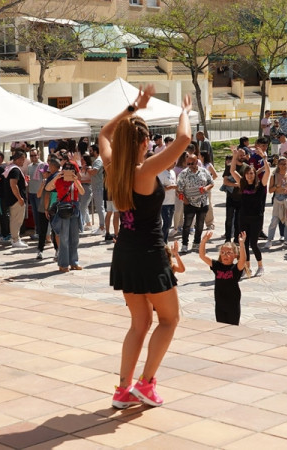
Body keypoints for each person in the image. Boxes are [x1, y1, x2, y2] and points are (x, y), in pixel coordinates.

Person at [100, 85, 192, 408]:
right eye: (148, 139)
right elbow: (183, 141)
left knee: (139, 323)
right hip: (151, 256)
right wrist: (184, 112)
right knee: (169, 319)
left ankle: (123, 389)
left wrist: (133, 108)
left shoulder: (113, 169)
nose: (150, 144)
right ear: (141, 143)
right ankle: (146, 383)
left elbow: (104, 134)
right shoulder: (145, 170)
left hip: (125, 254)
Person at [230, 148, 270, 277]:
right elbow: (232, 171)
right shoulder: (242, 184)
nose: (249, 175)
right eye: (247, 173)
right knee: (244, 243)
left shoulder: (260, 185)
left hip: (257, 218)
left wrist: (264, 158)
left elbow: (268, 172)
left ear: (255, 174)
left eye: (252, 173)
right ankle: (246, 268)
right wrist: (234, 156)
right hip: (243, 217)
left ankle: (260, 266)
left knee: (253, 243)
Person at [199, 231, 247, 325]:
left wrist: (241, 244)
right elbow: (202, 255)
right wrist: (203, 241)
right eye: (223, 252)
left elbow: (243, 260)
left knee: (232, 329)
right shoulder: (217, 265)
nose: (225, 255)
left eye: (229, 253)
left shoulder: (235, 268)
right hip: (220, 304)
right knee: (220, 329)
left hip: (232, 305)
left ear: (235, 255)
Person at [46, 161, 85, 272]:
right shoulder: (59, 180)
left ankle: (74, 262)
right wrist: (57, 177)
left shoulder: (75, 181)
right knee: (64, 238)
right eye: (66, 169)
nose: (68, 171)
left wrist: (75, 180)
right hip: (63, 209)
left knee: (75, 238)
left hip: (74, 208)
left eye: (71, 169)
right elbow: (48, 188)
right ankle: (63, 264)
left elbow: (82, 192)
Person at [177, 153, 214, 253]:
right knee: (187, 225)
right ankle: (184, 244)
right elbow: (178, 190)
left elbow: (211, 183)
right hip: (189, 203)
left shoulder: (204, 171)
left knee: (200, 224)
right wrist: (184, 199)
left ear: (196, 162)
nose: (190, 166)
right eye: (188, 164)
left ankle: (196, 243)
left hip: (202, 202)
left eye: (192, 163)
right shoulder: (183, 174)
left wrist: (206, 188)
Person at [264, 156, 287, 249]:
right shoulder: (274, 176)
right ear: (278, 165)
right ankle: (269, 240)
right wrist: (277, 186)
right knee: (275, 220)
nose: (284, 166)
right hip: (278, 199)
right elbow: (270, 190)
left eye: (285, 164)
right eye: (282, 164)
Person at [36, 158, 61, 260]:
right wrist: (42, 186)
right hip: (43, 209)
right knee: (43, 231)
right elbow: (38, 195)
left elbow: (49, 196)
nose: (43, 174)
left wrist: (47, 209)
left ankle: (57, 250)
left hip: (49, 209)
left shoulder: (52, 180)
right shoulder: (45, 182)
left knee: (54, 231)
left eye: (44, 172)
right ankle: (40, 250)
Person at [3, 151, 28, 248]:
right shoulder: (15, 170)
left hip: (12, 199)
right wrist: (20, 198)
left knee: (14, 219)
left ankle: (15, 238)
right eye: (22, 159)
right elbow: (13, 185)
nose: (23, 161)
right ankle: (15, 239)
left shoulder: (10, 168)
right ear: (17, 159)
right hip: (16, 200)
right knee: (16, 220)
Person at [27, 148, 46, 238]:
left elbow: (46, 178)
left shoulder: (43, 165)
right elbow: (28, 179)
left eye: (35, 155)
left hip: (40, 193)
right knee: (35, 214)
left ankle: (42, 232)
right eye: (31, 155)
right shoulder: (29, 166)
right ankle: (38, 232)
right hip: (31, 193)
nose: (33, 157)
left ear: (38, 155)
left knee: (40, 214)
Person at [88, 144, 106, 236]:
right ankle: (102, 226)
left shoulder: (98, 160)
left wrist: (88, 169)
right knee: (99, 208)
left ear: (95, 151)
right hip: (96, 187)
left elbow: (94, 172)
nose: (89, 152)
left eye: (91, 150)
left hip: (98, 187)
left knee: (100, 208)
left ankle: (102, 227)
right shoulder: (97, 160)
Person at [158, 161, 177, 242]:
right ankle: (162, 240)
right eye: (173, 162)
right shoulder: (161, 173)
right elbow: (160, 188)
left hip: (172, 201)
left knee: (169, 224)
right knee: (167, 222)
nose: (174, 164)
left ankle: (163, 239)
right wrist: (171, 187)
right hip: (164, 202)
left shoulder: (173, 172)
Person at [78, 153, 94, 231]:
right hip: (81, 188)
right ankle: (88, 223)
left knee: (82, 207)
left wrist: (81, 181)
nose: (81, 161)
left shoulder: (89, 168)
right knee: (83, 206)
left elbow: (91, 180)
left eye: (82, 159)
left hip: (87, 188)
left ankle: (81, 225)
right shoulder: (81, 168)